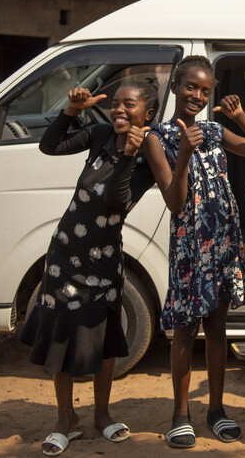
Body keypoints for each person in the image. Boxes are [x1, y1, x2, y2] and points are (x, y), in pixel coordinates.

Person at [21, 81, 160, 456]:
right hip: (65, 252)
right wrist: (70, 111)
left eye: (128, 105)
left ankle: (101, 413)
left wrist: (130, 156)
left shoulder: (149, 153)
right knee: (61, 332)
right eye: (115, 104)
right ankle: (65, 417)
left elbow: (116, 202)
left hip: (104, 259)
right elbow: (48, 146)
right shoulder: (99, 134)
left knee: (103, 335)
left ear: (147, 114)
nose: (118, 110)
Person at [144, 55, 245, 449]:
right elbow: (175, 202)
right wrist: (182, 150)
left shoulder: (215, 130)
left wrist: (243, 117)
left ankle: (216, 410)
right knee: (185, 330)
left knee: (217, 329)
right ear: (176, 87)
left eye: (204, 89)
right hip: (189, 245)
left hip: (222, 242)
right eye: (190, 87)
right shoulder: (157, 136)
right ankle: (180, 414)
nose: (197, 95)